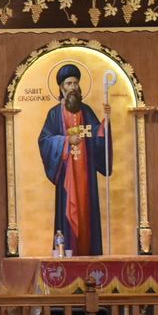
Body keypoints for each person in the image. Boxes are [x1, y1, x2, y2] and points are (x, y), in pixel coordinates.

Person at [37, 64, 109, 256]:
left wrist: (105, 126)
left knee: (86, 213)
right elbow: (44, 140)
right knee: (68, 215)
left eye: (76, 83)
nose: (73, 87)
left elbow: (97, 137)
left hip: (85, 173)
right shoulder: (54, 114)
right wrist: (67, 141)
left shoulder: (87, 111)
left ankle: (88, 254)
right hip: (67, 175)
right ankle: (66, 254)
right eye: (69, 83)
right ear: (61, 88)